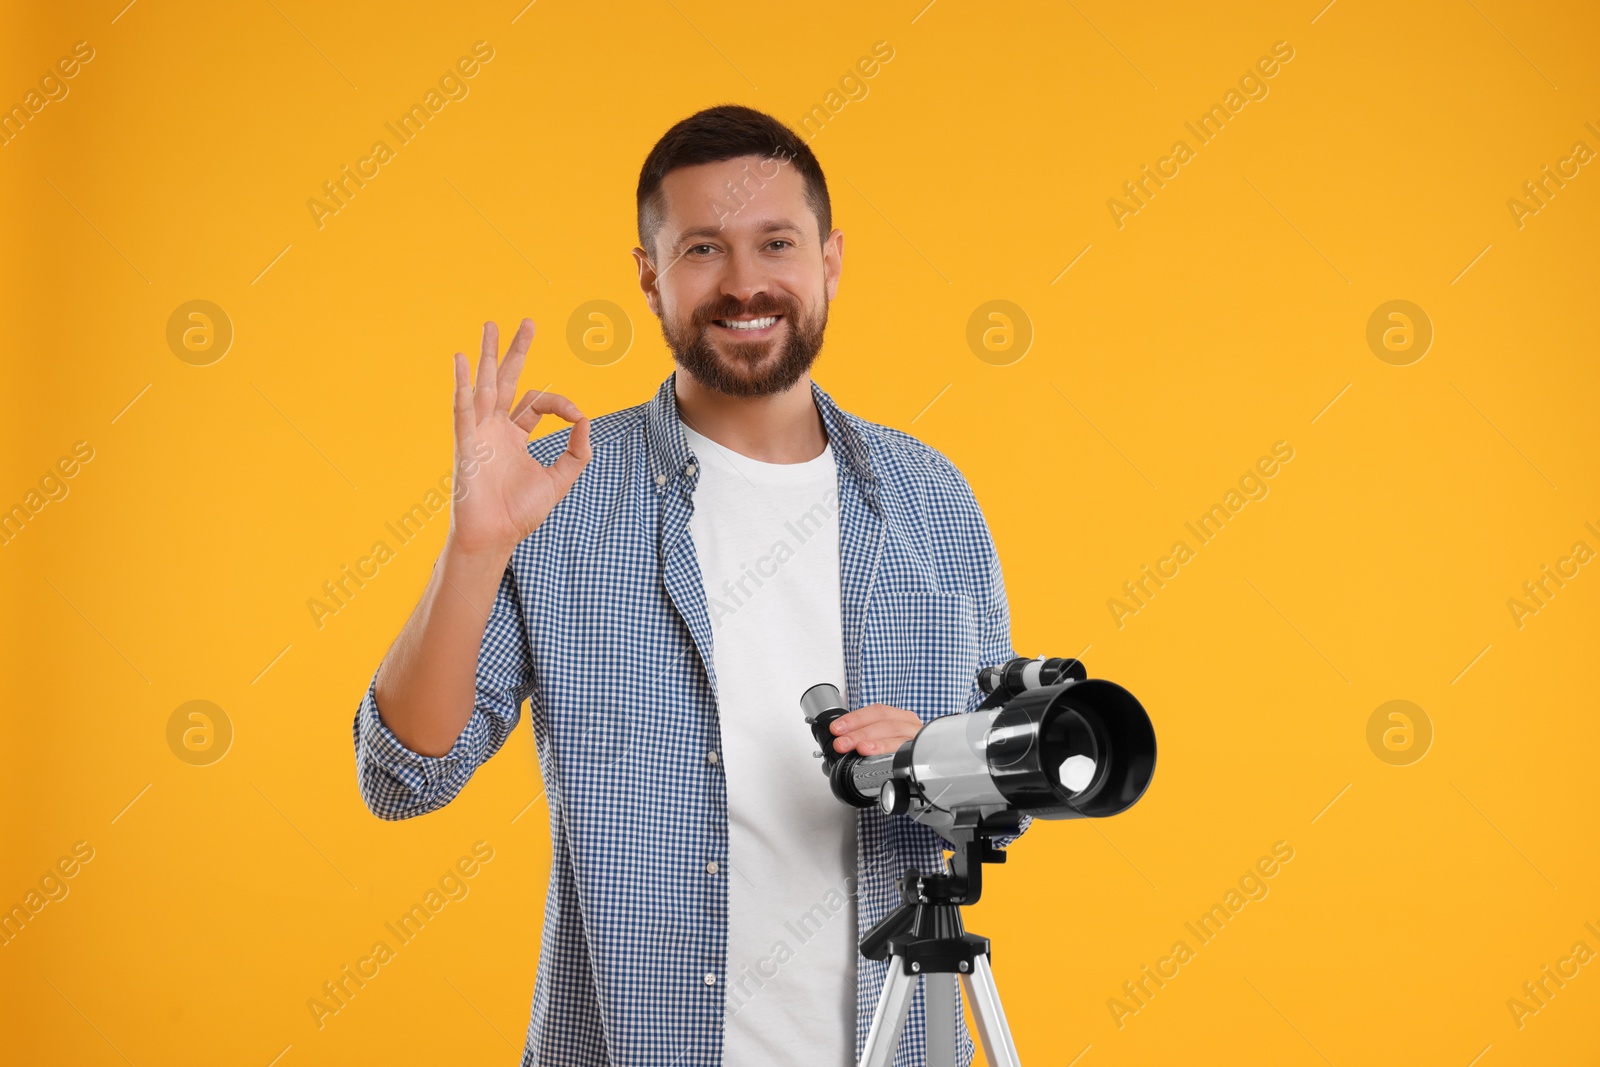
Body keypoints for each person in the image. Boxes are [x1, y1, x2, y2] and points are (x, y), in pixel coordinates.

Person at [353, 103, 1029, 1067]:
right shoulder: (564, 498)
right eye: (704, 248)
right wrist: (475, 548)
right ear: (648, 275)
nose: (746, 282)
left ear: (829, 260)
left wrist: (937, 757)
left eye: (777, 242)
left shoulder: (932, 501)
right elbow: (404, 776)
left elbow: (1016, 780)